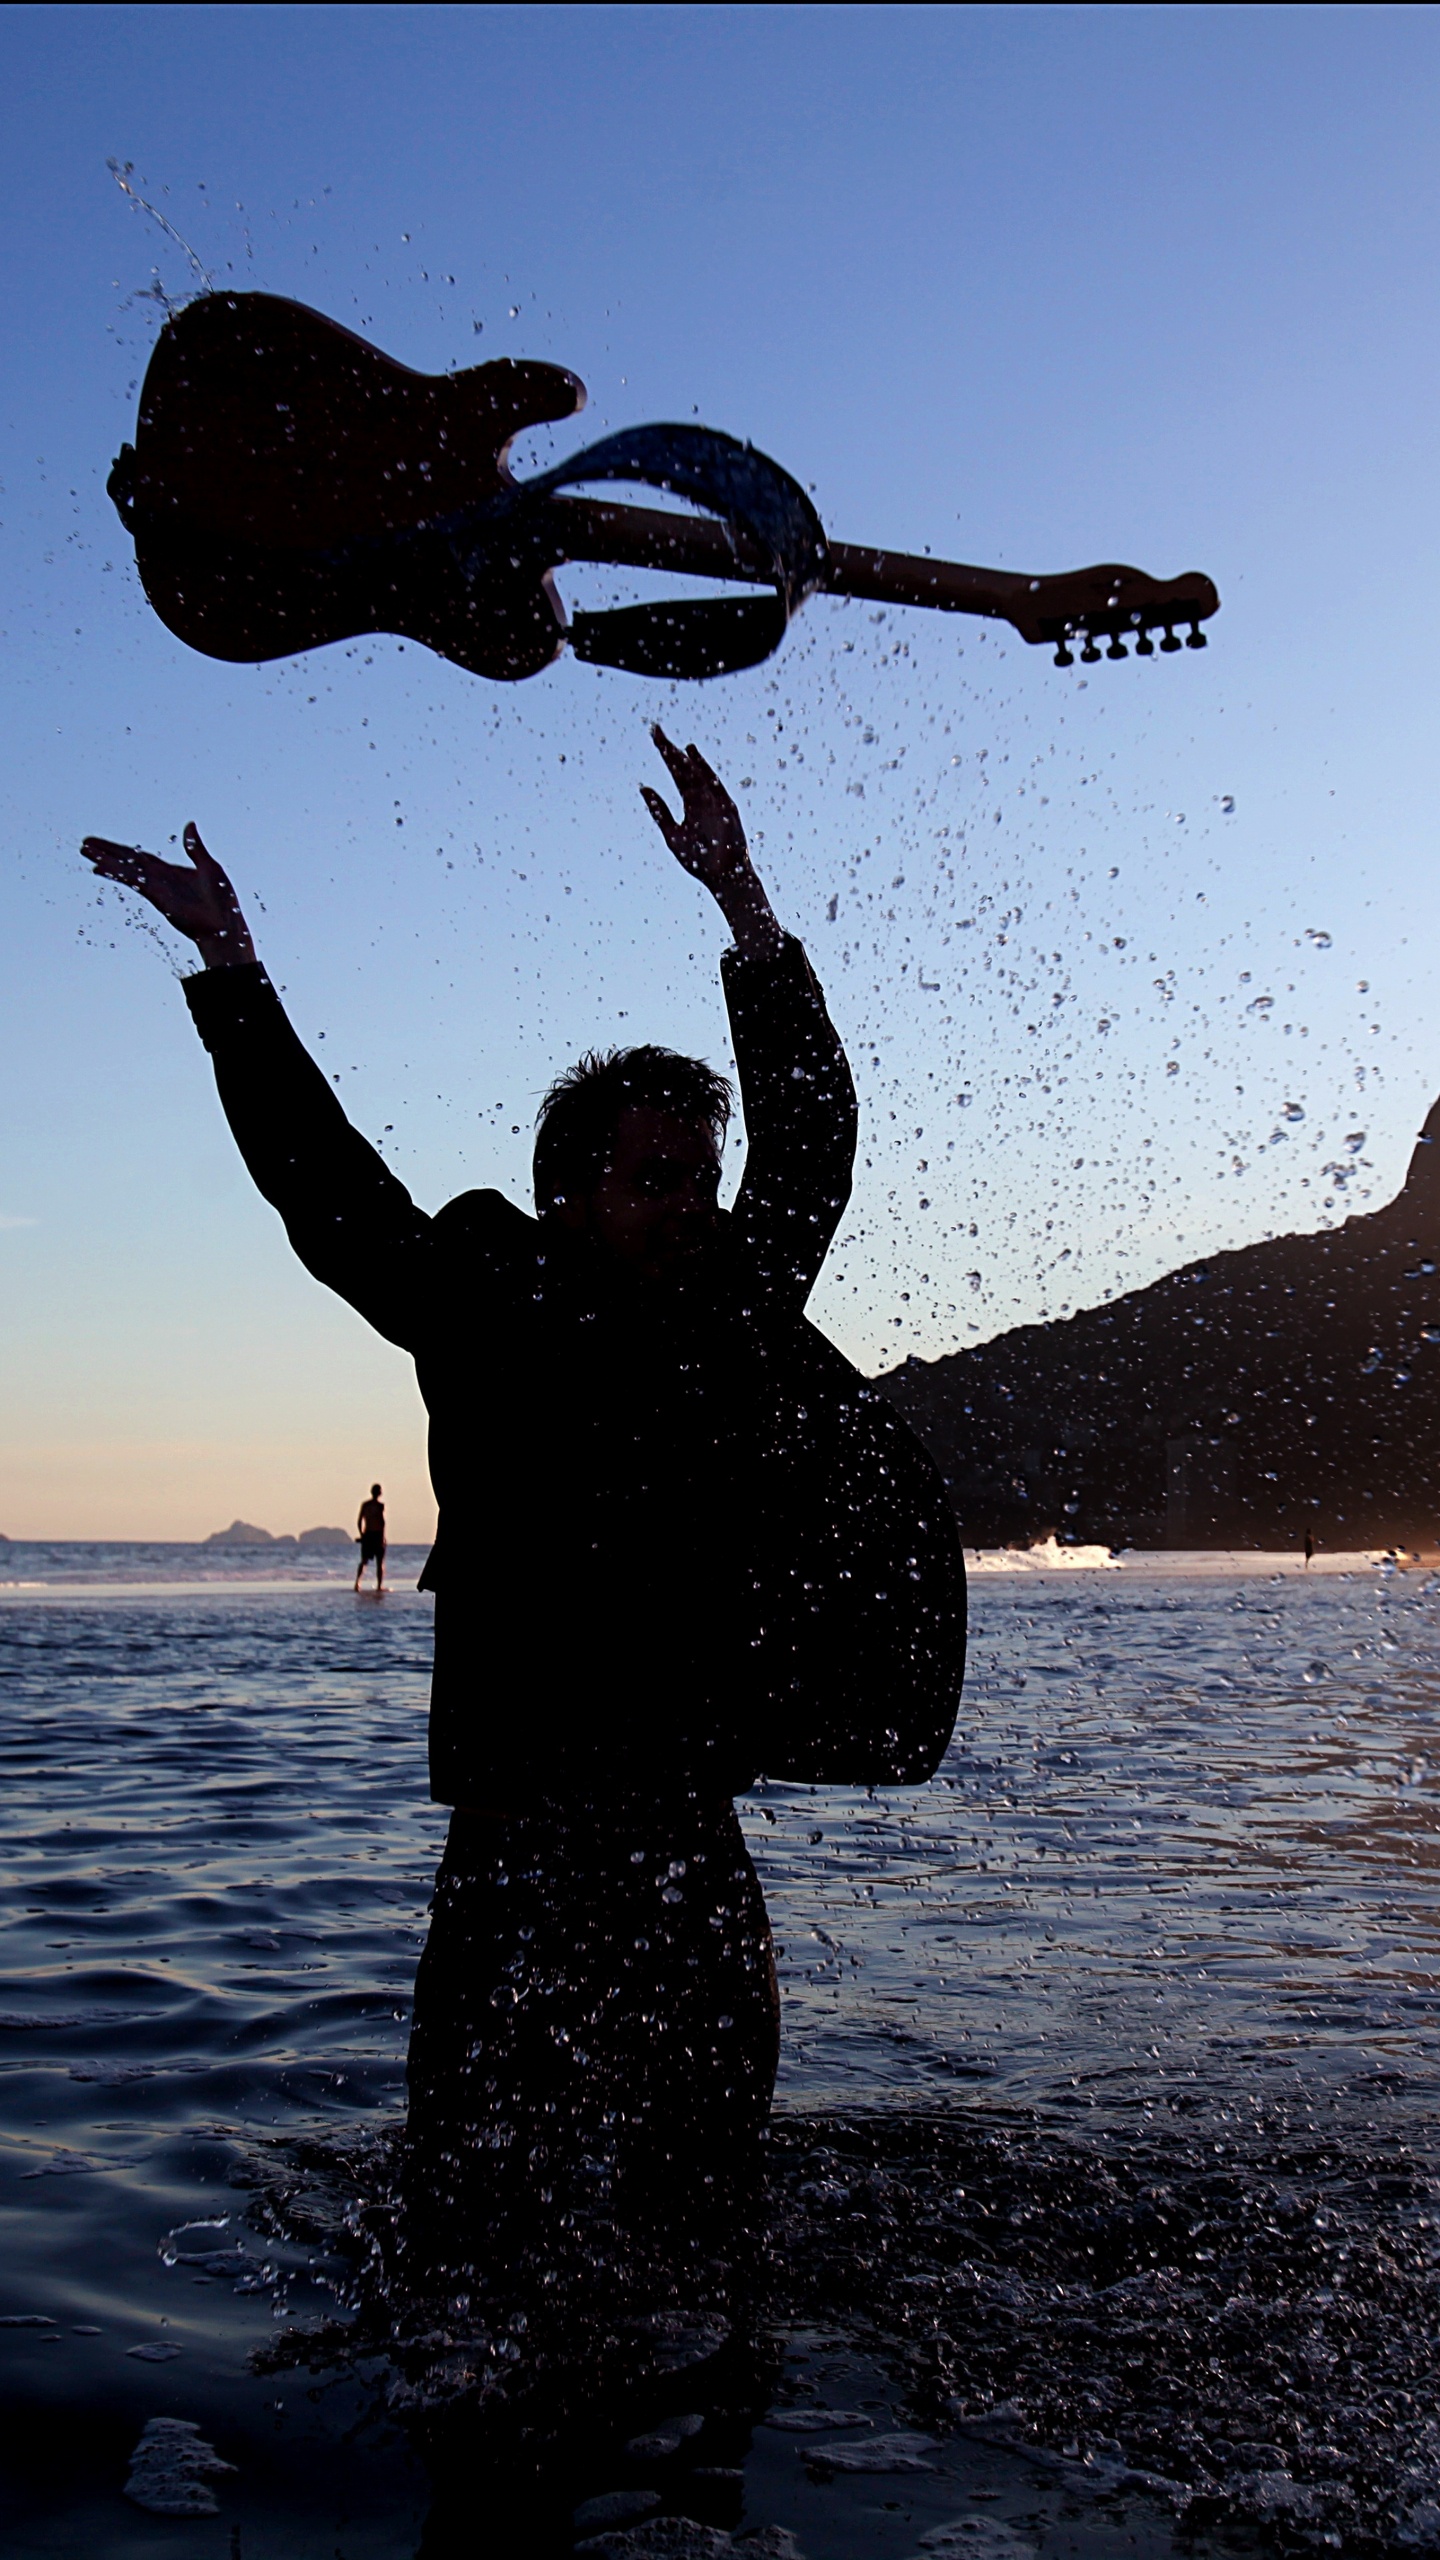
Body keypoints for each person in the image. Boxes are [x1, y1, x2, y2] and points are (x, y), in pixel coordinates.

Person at [81, 727, 964, 2267]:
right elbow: (326, 1184)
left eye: (700, 1175)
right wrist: (230, 968)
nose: (692, 1205)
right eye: (654, 1179)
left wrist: (747, 910)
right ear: (569, 1190)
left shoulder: (732, 1313)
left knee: (710, 2218)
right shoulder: (486, 1304)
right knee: (473, 2225)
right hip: (512, 1863)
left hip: (689, 1852)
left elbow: (815, 1141)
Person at [355, 1482, 386, 1592]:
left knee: (364, 1561)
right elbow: (382, 1523)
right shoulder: (379, 1506)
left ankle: (357, 1583)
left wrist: (362, 1534)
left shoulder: (366, 1505)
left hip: (368, 1534)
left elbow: (359, 1522)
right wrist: (382, 1538)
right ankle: (378, 1586)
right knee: (379, 1562)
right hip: (376, 1535)